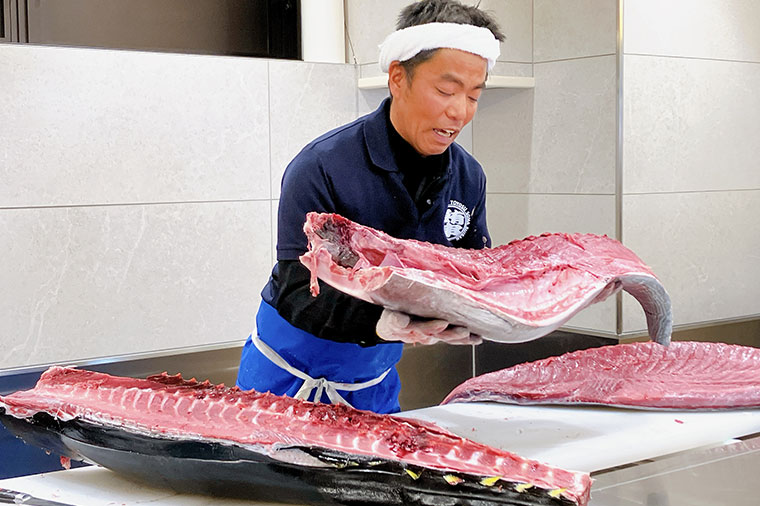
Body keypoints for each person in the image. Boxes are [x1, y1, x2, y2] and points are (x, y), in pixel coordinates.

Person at [236, 0, 505, 414]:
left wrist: (475, 314)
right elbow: (295, 287)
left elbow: (471, 271)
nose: (459, 111)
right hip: (281, 382)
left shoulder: (469, 178)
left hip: (374, 385)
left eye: (473, 95)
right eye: (446, 90)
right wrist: (379, 323)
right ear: (398, 77)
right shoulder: (322, 166)